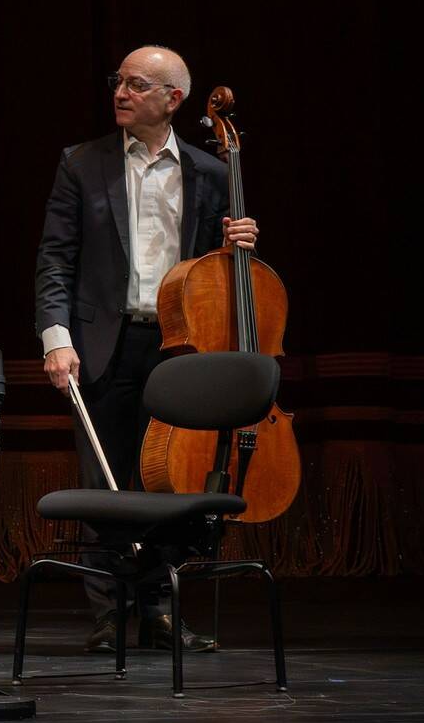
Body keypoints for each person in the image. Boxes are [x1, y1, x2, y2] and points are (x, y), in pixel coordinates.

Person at [33, 45, 259, 653]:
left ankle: (160, 609)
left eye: (137, 84)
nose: (121, 93)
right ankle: (109, 614)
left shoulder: (210, 173)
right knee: (105, 486)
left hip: (178, 348)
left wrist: (242, 240)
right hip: (101, 344)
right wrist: (56, 338)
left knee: (167, 485)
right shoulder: (81, 163)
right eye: (119, 81)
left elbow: (220, 272)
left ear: (172, 100)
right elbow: (55, 260)